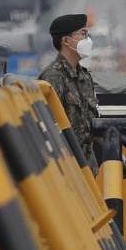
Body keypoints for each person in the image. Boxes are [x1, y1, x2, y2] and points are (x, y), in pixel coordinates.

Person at [39, 13, 99, 169]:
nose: (88, 39)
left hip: (87, 167)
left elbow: (90, 125)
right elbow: (46, 126)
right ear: (66, 41)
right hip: (66, 168)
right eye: (83, 34)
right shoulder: (53, 77)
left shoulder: (84, 76)